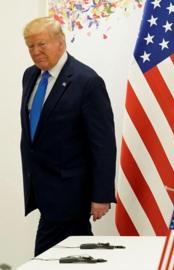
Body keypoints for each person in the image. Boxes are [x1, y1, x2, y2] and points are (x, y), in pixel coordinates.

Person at [21, 17, 116, 256]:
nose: (35, 52)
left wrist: (101, 195)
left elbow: (103, 144)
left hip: (71, 191)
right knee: (72, 256)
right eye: (30, 46)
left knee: (47, 258)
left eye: (41, 44)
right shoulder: (30, 76)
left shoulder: (87, 82)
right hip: (44, 189)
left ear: (61, 42)